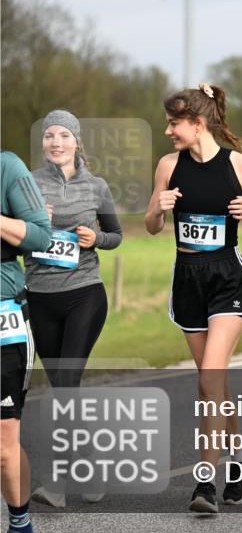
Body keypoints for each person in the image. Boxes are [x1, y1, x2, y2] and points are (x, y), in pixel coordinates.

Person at [144, 83, 242, 513]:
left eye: (174, 124)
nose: (168, 131)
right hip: (188, 279)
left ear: (198, 124)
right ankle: (240, 458)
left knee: (209, 380)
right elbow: (150, 226)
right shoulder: (168, 166)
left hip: (227, 278)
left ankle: (205, 484)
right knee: (212, 380)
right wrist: (159, 209)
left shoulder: (240, 165)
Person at [23, 111, 123, 508]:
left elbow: (116, 236)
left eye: (64, 135)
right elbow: (10, 238)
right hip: (40, 297)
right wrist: (35, 226)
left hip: (84, 294)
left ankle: (58, 484)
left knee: (66, 382)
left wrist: (95, 238)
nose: (57, 142)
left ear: (77, 142)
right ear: (43, 142)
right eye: (50, 135)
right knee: (65, 389)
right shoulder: (27, 183)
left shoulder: (96, 186)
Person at [1, 150, 53, 533]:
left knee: (4, 447)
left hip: (5, 321)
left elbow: (41, 236)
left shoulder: (7, 167)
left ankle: (20, 524)